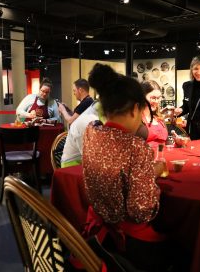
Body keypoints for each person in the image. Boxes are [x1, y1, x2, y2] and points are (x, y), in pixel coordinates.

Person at [81, 63, 170, 271]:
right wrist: (150, 176)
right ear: (135, 109)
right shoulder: (136, 148)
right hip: (129, 244)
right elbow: (141, 211)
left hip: (95, 236)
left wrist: (147, 172)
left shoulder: (90, 134)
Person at [140, 80, 168, 147]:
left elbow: (164, 143)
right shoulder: (134, 119)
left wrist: (176, 142)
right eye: (153, 98)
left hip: (162, 156)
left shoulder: (159, 118)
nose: (156, 101)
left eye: (158, 98)